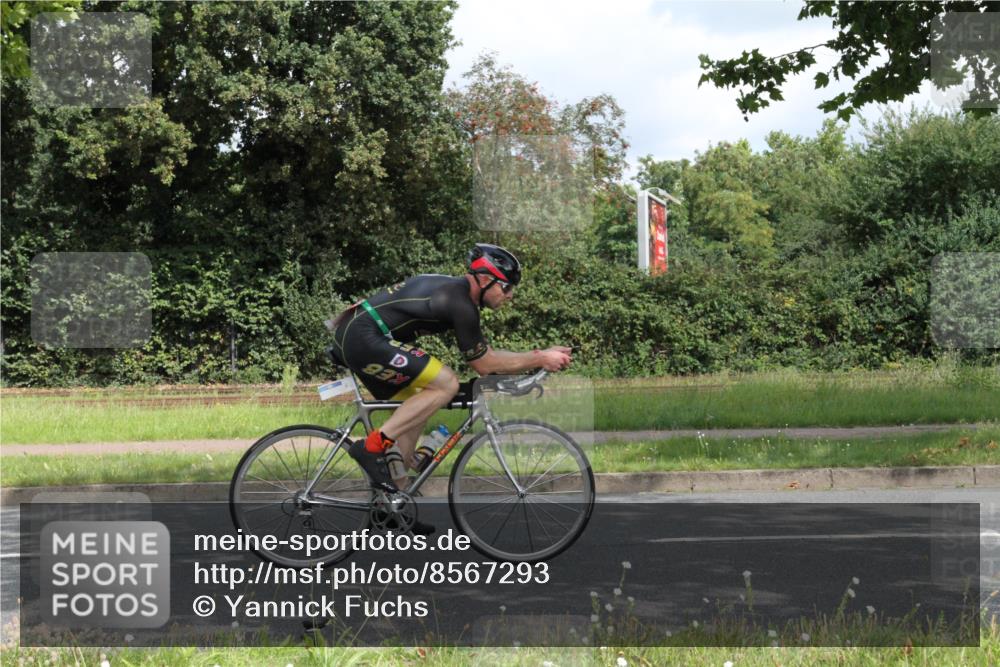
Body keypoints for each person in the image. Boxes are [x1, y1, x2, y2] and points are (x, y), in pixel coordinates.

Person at [327, 244, 572, 532]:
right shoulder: (459, 303)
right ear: (484, 279)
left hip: (358, 333)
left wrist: (539, 355)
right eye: (506, 287)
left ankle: (390, 504)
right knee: (447, 383)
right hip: (363, 336)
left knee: (416, 409)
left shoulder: (458, 294)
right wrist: (540, 358)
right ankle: (371, 447)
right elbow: (484, 364)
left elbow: (489, 357)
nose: (509, 295)